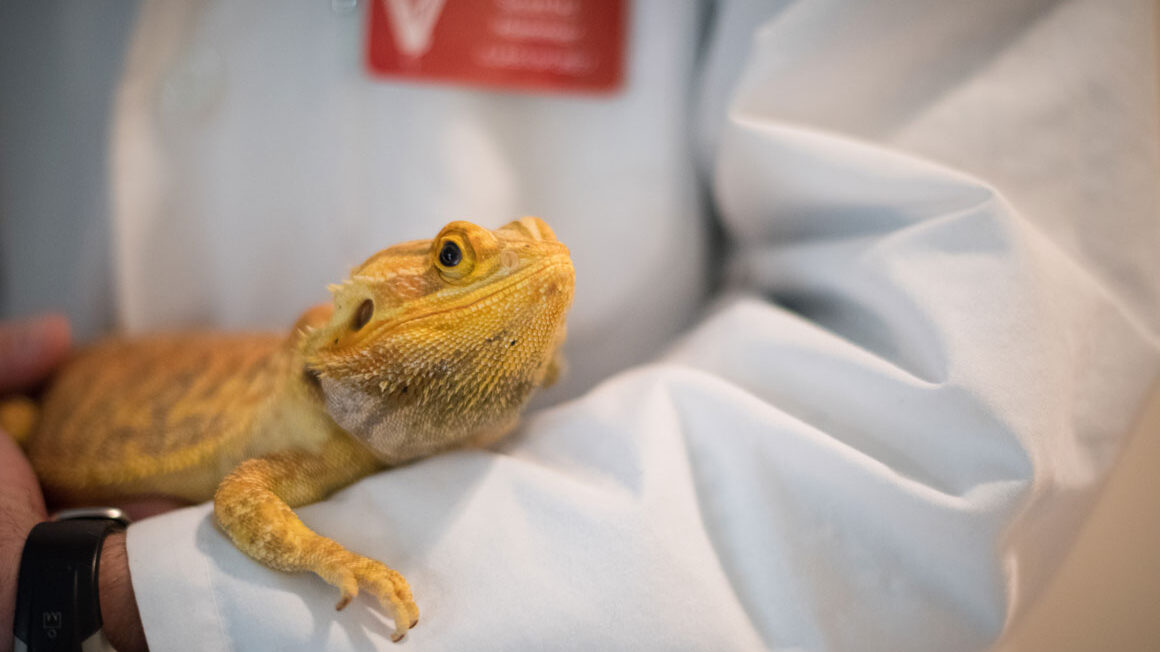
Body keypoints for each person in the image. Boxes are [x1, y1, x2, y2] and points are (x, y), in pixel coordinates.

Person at [2, 1, 1158, 650]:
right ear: (353, 320)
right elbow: (248, 495)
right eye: (455, 258)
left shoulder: (323, 453)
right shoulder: (308, 428)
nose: (529, 262)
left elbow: (926, 395)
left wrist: (120, 595)